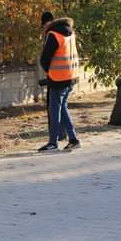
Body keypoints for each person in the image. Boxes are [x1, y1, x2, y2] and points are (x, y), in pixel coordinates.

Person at [38, 17, 81, 152]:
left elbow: (44, 59)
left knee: (55, 110)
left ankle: (53, 142)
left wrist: (49, 72)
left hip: (58, 78)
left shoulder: (53, 35)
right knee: (63, 108)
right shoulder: (71, 33)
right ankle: (73, 139)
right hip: (71, 76)